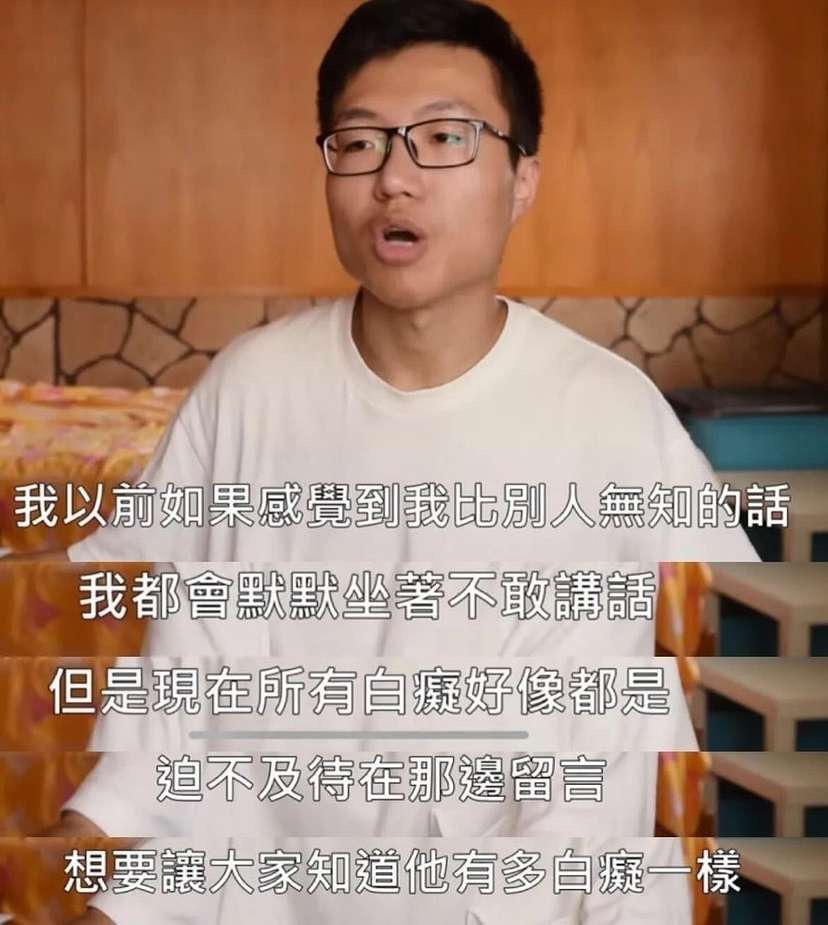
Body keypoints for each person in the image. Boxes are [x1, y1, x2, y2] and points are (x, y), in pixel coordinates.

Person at [11, 0, 759, 922]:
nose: (395, 180)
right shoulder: (252, 389)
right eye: (360, 143)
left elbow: (665, 736)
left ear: (523, 178)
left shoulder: (609, 420)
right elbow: (162, 680)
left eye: (444, 138)